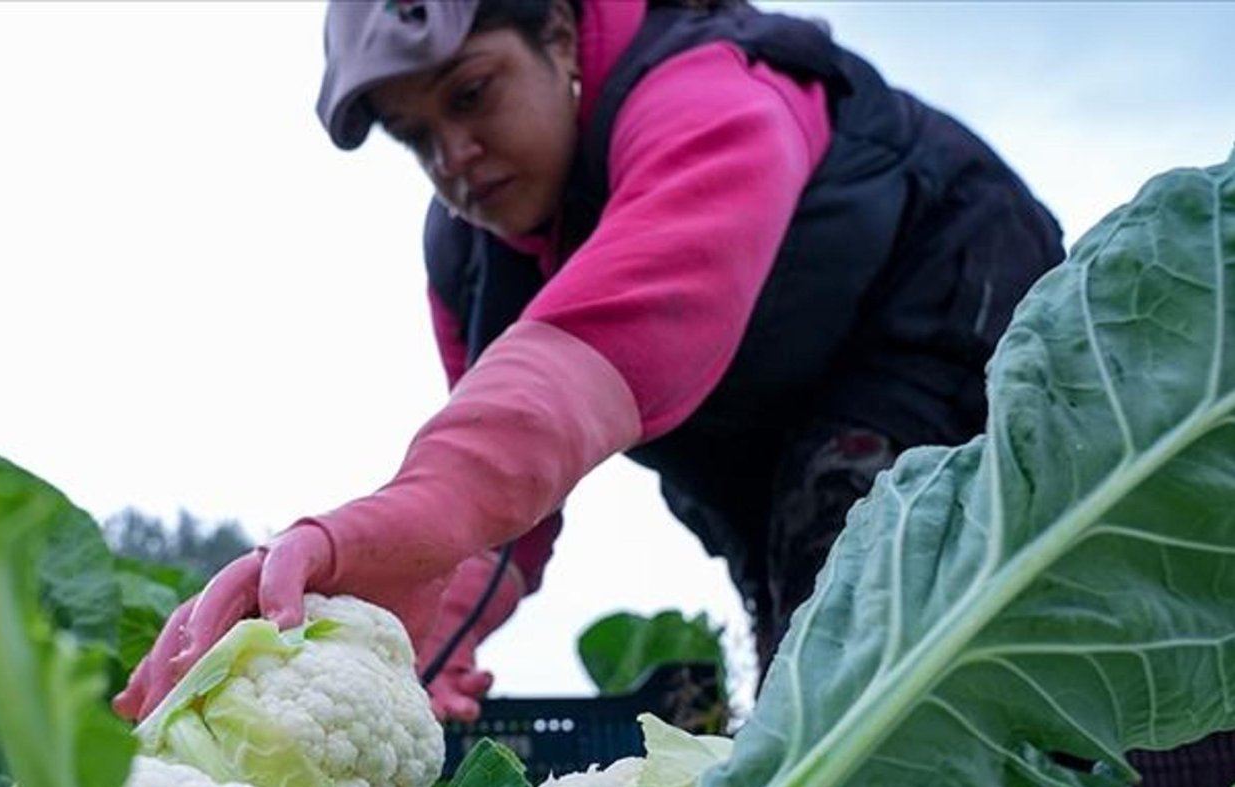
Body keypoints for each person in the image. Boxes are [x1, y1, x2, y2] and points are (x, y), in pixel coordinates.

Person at [112, 0, 1065, 727]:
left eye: (470, 96)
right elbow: (498, 507)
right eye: (417, 136)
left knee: (920, 659)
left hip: (963, 340)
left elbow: (611, 338)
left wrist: (402, 513)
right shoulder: (470, 255)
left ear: (561, 36)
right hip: (767, 464)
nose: (454, 156)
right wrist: (407, 641)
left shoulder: (710, 97)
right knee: (807, 654)